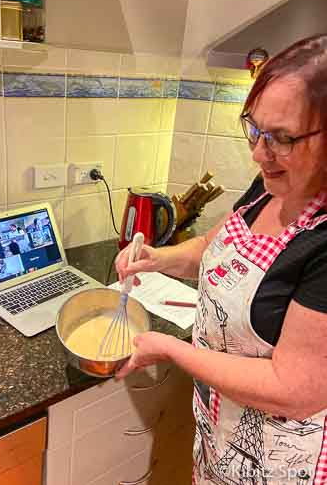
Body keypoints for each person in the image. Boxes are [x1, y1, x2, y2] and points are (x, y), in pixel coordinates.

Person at [115, 34, 327, 485]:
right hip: (220, 431)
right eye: (254, 128)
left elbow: (293, 390)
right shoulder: (269, 184)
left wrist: (169, 347)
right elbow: (212, 247)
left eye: (281, 138)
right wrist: (153, 257)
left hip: (279, 461)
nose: (258, 153)